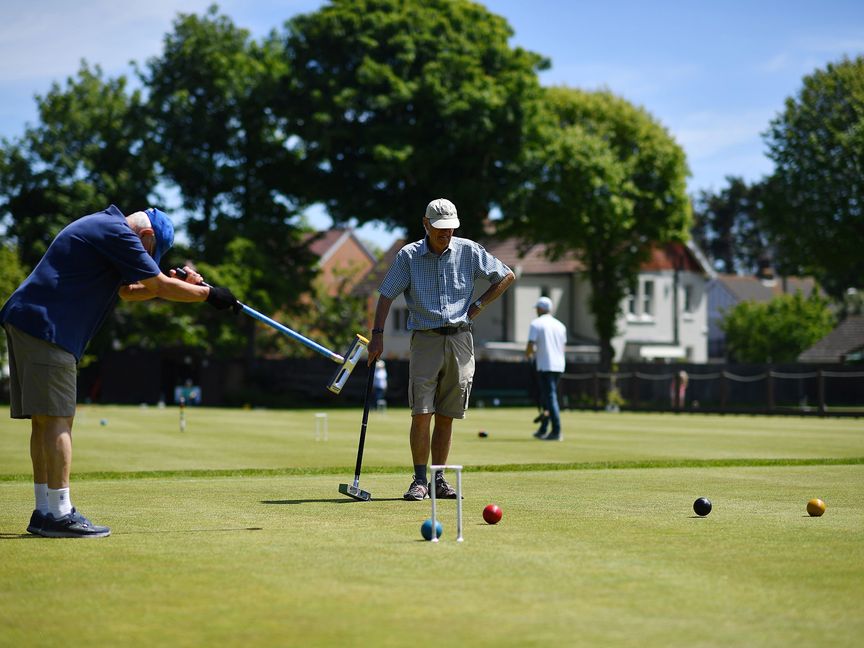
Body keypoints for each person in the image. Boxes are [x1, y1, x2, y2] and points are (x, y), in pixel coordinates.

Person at [1, 204, 241, 538]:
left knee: (44, 420)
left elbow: (130, 291)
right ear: (146, 237)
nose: (147, 259)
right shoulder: (116, 231)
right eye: (150, 253)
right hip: (47, 325)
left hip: (30, 319)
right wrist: (209, 294)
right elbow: (155, 285)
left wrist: (177, 286)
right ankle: (58, 513)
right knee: (57, 419)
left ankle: (45, 510)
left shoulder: (104, 228)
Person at [367, 198, 515, 500]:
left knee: (447, 414)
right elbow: (385, 296)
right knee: (422, 412)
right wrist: (378, 335)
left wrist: (478, 305)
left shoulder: (469, 251)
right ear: (425, 225)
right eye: (439, 229)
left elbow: (506, 276)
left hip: (461, 339)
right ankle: (420, 480)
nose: (445, 234)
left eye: (449, 229)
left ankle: (438, 480)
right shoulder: (408, 256)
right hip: (425, 339)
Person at [525, 296, 567, 441]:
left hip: (544, 365)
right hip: (559, 365)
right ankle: (543, 429)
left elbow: (531, 344)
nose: (536, 310)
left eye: (537, 308)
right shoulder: (561, 325)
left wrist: (528, 356)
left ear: (541, 309)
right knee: (547, 397)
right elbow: (563, 347)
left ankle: (556, 431)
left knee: (550, 397)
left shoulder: (536, 323)